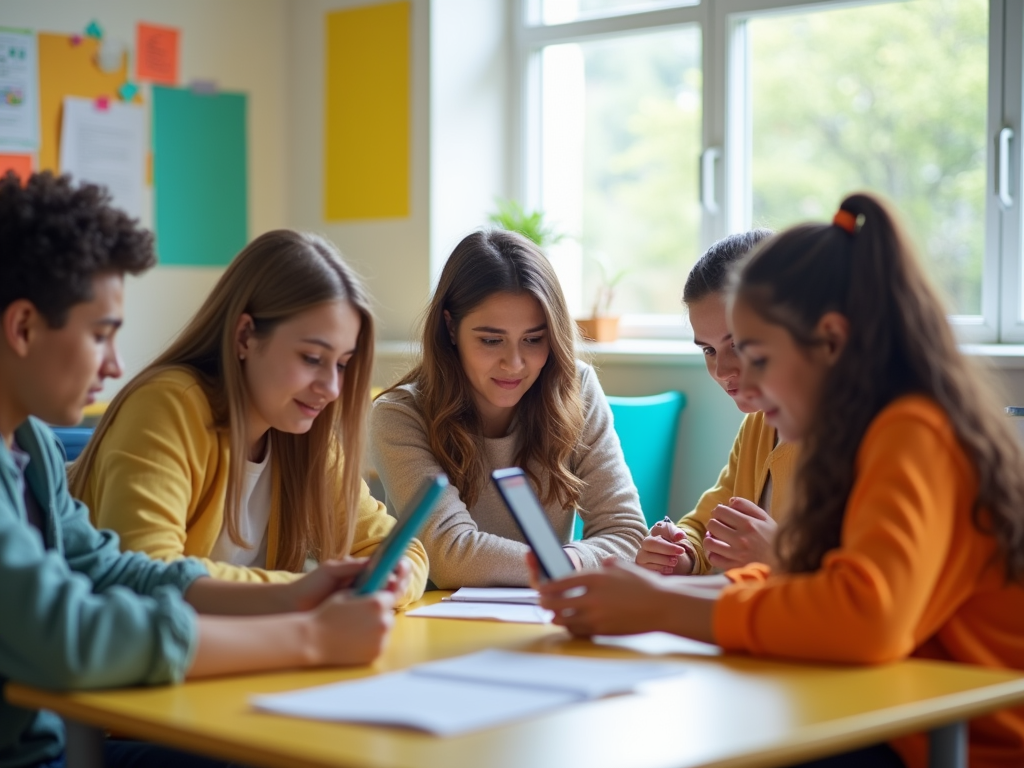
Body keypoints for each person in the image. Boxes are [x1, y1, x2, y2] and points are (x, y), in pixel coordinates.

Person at [534, 193, 1024, 768]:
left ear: (832, 342)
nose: (746, 384)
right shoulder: (862, 429)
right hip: (899, 712)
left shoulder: (912, 430)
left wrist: (661, 608)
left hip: (959, 738)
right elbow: (805, 577)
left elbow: (866, 617)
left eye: (758, 357)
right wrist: (654, 594)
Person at [0, 172, 399, 768]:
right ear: (24, 327)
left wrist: (295, 595)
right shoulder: (163, 405)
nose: (116, 365)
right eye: (101, 335)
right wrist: (309, 637)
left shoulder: (26, 441)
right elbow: (70, 637)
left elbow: (110, 570)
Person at [70, 229, 427, 606]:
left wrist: (391, 580)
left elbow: (397, 549)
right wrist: (303, 590)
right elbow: (145, 572)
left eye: (341, 364)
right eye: (311, 359)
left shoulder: (305, 432)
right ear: (244, 336)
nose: (332, 388)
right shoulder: (170, 402)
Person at [369, 230, 647, 588]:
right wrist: (565, 565)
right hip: (436, 623)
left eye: (533, 339)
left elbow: (627, 533)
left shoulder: (576, 389)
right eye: (490, 340)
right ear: (451, 327)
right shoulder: (399, 415)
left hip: (545, 620)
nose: (514, 363)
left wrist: (568, 561)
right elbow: (450, 558)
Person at [636, 229, 797, 575]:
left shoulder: (857, 434)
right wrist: (683, 554)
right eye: (708, 350)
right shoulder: (758, 425)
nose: (722, 370)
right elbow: (705, 524)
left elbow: (863, 590)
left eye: (737, 344)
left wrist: (779, 559)